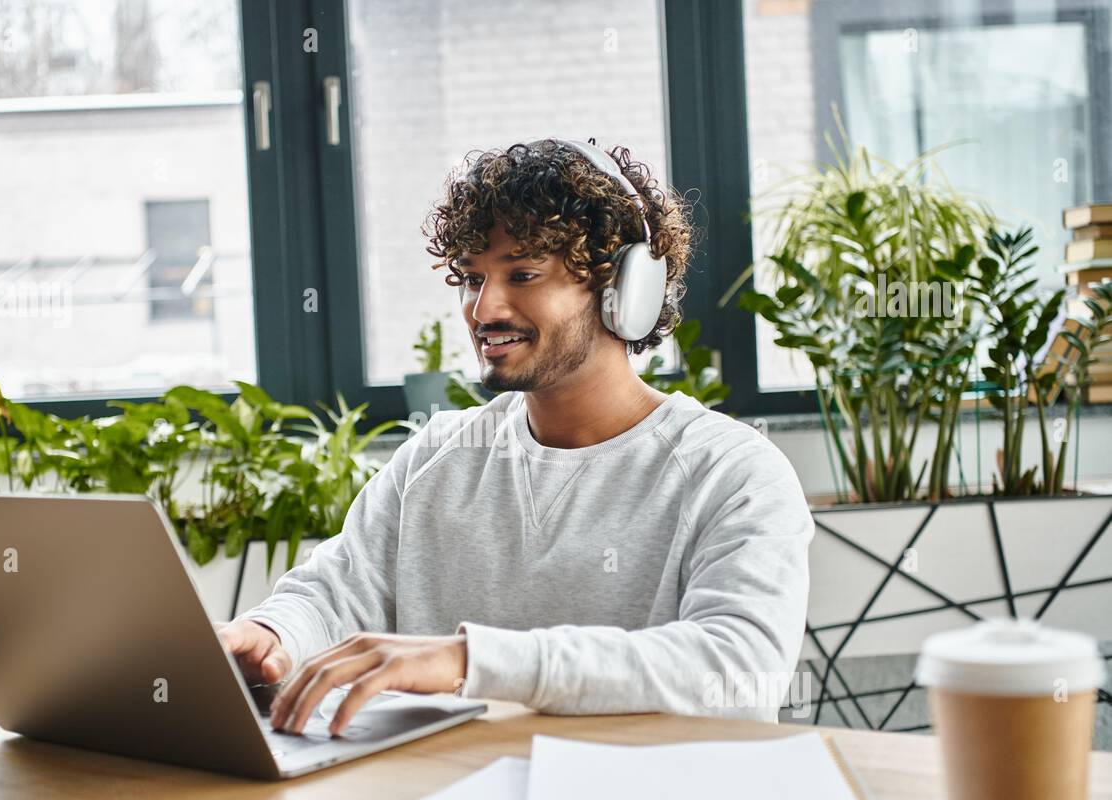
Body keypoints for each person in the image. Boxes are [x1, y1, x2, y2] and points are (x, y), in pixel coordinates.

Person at [216, 138, 814, 737]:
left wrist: (473, 662)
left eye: (522, 274)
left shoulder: (732, 473)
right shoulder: (438, 456)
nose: (482, 309)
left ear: (624, 291)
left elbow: (739, 670)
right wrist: (269, 637)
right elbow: (334, 594)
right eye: (471, 279)